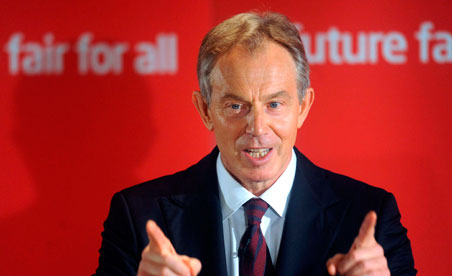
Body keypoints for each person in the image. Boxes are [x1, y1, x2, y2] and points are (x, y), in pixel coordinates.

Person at [94, 12, 416, 276]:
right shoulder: (139, 217)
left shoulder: (368, 217)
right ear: (205, 110)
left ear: (303, 107)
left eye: (274, 105)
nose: (258, 128)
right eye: (236, 106)